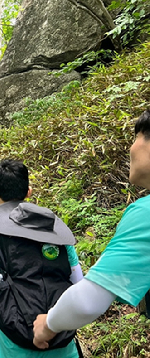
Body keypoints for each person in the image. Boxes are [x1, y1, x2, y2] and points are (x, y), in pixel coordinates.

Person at [33, 108, 150, 350]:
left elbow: (88, 301)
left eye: (136, 136)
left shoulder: (146, 213)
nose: (131, 148)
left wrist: (46, 325)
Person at [0, 159, 83, 358]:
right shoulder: (54, 229)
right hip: (60, 337)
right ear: (29, 191)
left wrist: (5, 310)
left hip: (10, 340)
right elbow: (78, 284)